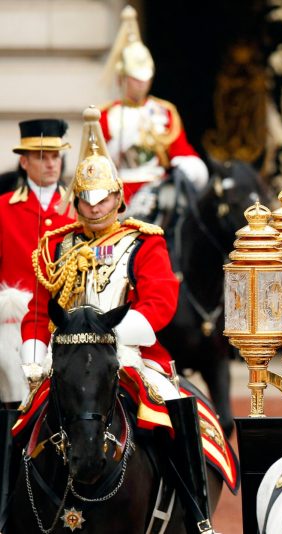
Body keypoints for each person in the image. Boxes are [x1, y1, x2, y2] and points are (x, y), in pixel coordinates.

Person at [19, 107, 215, 533]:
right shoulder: (58, 244)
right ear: (76, 200)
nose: (94, 208)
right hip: (67, 356)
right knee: (20, 421)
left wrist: (108, 337)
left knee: (173, 411)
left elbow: (160, 301)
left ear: (118, 197)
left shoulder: (143, 242)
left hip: (130, 353)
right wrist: (34, 350)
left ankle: (197, 512)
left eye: (103, 197)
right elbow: (38, 308)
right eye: (86, 199)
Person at [99, 6, 208, 208]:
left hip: (159, 191)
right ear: (121, 78)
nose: (141, 84)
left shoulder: (164, 112)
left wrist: (188, 167)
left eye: (145, 78)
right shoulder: (106, 115)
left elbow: (180, 151)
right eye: (135, 78)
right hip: (121, 192)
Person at [0, 119, 75, 405]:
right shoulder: (4, 208)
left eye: (56, 156)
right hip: (13, 323)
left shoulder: (78, 209)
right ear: (23, 161)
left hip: (64, 322)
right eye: (42, 157)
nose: (51, 164)